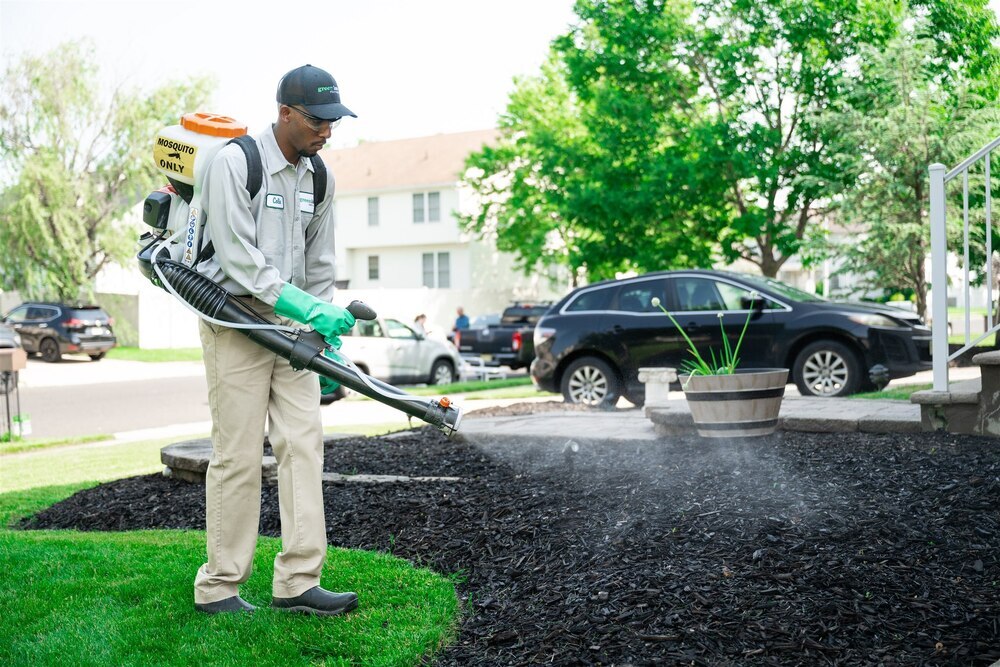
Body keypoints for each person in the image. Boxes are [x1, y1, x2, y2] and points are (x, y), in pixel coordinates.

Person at [192, 64, 359, 616]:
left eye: (334, 121)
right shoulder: (235, 163)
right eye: (317, 120)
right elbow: (238, 259)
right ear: (285, 112)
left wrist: (316, 320)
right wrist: (304, 305)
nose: (326, 131)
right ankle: (220, 587)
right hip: (235, 318)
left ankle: (298, 581)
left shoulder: (320, 178)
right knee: (238, 455)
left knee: (303, 446)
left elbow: (321, 259)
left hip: (293, 328)